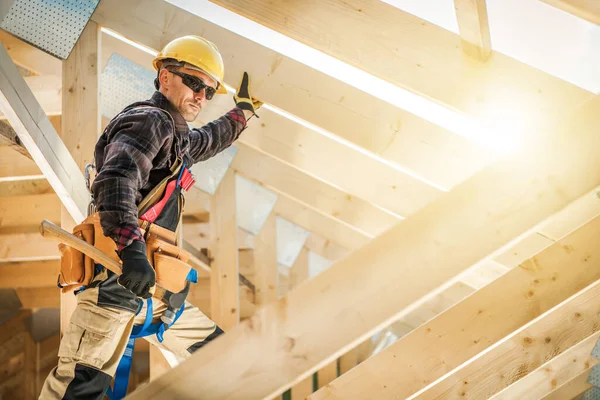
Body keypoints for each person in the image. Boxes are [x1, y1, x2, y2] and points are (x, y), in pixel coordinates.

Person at [40, 35, 262, 399]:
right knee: (79, 390)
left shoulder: (177, 136)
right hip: (115, 287)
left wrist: (242, 112)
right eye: (194, 83)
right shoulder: (150, 120)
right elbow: (115, 181)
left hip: (156, 295)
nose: (201, 97)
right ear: (165, 78)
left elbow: (210, 139)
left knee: (224, 361)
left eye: (208, 91)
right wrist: (131, 251)